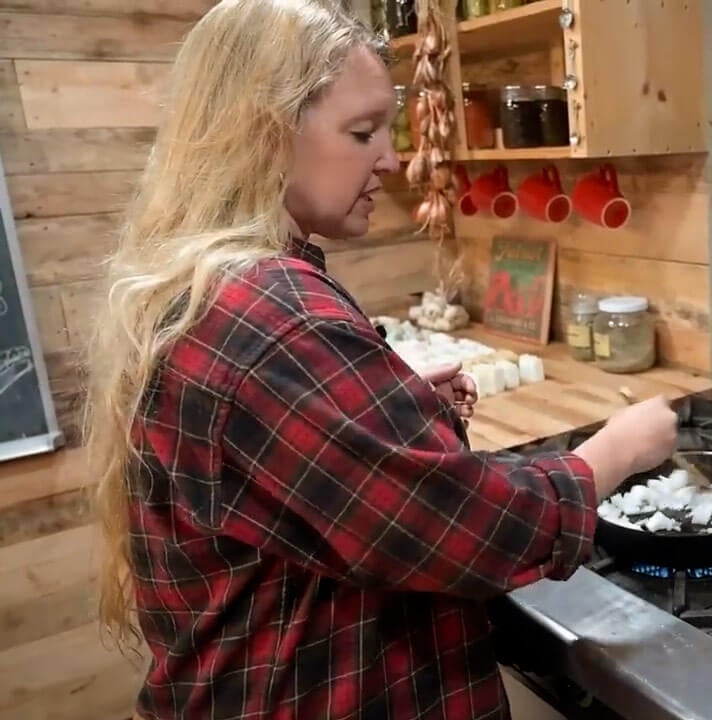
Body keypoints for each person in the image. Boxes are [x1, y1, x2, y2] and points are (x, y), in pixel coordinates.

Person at [83, 1, 679, 718]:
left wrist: (386, 410)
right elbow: (471, 530)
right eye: (363, 132)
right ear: (265, 134)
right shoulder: (275, 314)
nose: (391, 160)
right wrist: (615, 452)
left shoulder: (217, 285)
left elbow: (267, 474)